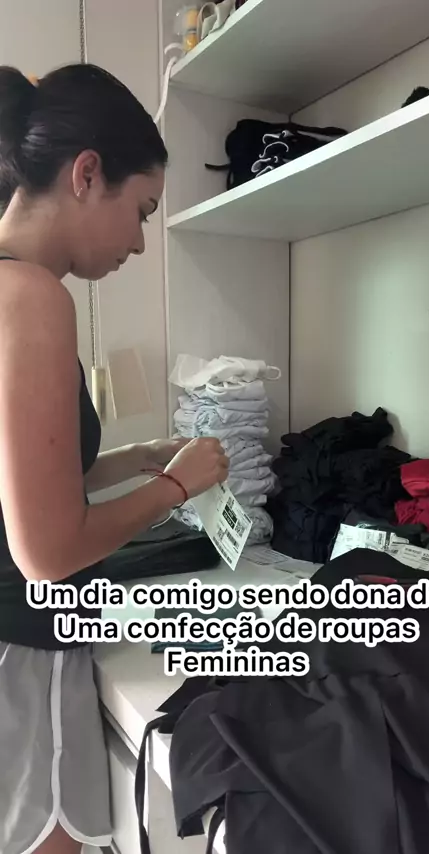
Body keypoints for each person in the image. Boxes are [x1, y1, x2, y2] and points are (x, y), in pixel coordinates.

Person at [0, 63, 229, 854]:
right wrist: (176, 488)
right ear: (87, 173)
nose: (137, 240)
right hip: (21, 654)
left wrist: (140, 456)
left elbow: (26, 476)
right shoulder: (33, 296)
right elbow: (46, 552)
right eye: (141, 211)